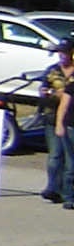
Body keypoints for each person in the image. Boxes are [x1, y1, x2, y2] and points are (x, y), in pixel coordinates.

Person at [43, 38, 74, 207]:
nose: (62, 55)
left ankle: (67, 193)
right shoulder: (52, 71)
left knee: (70, 159)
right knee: (55, 155)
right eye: (60, 52)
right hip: (52, 116)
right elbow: (44, 91)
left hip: (70, 118)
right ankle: (53, 189)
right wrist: (51, 94)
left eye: (65, 51)